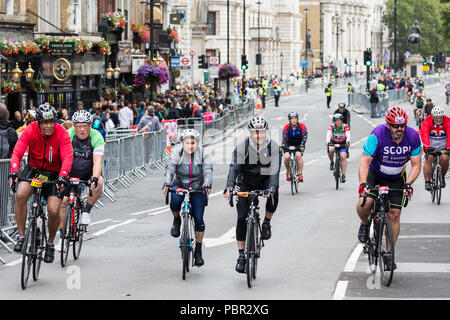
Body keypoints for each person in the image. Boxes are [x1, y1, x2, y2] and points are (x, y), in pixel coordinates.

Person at [356, 106, 421, 271]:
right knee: (365, 202)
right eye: (395, 126)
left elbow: (416, 164)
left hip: (397, 178)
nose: (399, 130)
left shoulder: (413, 137)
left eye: (402, 126)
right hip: (375, 175)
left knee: (395, 215)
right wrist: (363, 183)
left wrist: (409, 184)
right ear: (388, 124)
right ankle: (364, 223)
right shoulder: (377, 134)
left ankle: (389, 254)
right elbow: (364, 161)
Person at [9, 104, 73, 264]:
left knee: (53, 210)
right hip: (34, 170)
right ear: (38, 123)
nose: (49, 126)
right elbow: (17, 152)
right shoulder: (30, 130)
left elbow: (67, 157)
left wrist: (63, 176)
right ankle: (22, 236)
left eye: (51, 121)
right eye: (44, 123)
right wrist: (14, 171)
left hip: (54, 173)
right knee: (20, 195)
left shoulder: (62, 133)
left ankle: (50, 242)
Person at [224, 116, 281, 273]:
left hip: (265, 179)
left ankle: (267, 222)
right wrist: (230, 187)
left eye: (261, 132)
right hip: (246, 182)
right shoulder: (242, 148)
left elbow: (274, 171)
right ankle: (241, 255)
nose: (259, 135)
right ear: (250, 133)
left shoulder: (273, 147)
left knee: (274, 196)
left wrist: (272, 189)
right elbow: (234, 168)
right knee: (242, 217)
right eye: (255, 132)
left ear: (265, 132)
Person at [163, 129, 213, 267]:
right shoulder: (177, 153)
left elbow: (208, 171)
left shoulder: (204, 154)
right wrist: (167, 182)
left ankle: (198, 250)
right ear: (182, 143)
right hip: (179, 184)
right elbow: (170, 169)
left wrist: (207, 184)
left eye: (193, 143)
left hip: (198, 187)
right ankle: (177, 219)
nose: (190, 146)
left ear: (197, 143)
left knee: (198, 219)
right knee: (175, 202)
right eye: (187, 143)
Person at [58, 109, 105, 229]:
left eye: (85, 126)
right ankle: (63, 236)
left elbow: (98, 160)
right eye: (79, 126)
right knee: (63, 202)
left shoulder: (96, 136)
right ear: (74, 126)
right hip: (70, 170)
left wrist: (94, 177)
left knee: (99, 182)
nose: (82, 129)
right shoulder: (68, 134)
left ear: (90, 126)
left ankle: (86, 211)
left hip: (88, 171)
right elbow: (61, 157)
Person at [418, 106, 450, 190]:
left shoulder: (447, 121)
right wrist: (428, 147)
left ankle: (442, 177)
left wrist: (448, 147)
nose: (439, 120)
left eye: (440, 118)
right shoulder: (427, 121)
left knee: (445, 158)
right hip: (431, 146)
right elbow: (424, 134)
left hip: (443, 146)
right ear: (432, 117)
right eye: (436, 118)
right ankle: (427, 181)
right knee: (429, 158)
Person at [281, 112, 307, 182]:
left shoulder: (302, 125)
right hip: (288, 144)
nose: (294, 120)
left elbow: (304, 136)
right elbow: (284, 138)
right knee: (286, 157)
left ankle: (300, 174)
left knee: (298, 156)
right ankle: (288, 171)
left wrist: (302, 144)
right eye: (292, 119)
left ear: (297, 119)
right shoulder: (286, 126)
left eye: (295, 118)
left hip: (298, 144)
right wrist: (284, 146)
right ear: (289, 120)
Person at [327, 114, 350, 182]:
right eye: (336, 121)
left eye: (340, 120)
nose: (338, 122)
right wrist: (328, 141)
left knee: (343, 156)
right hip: (333, 142)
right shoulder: (332, 126)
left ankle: (343, 174)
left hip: (342, 142)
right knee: (330, 150)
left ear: (342, 121)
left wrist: (348, 141)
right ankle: (331, 162)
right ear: (334, 121)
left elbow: (348, 134)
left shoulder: (345, 126)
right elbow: (328, 134)